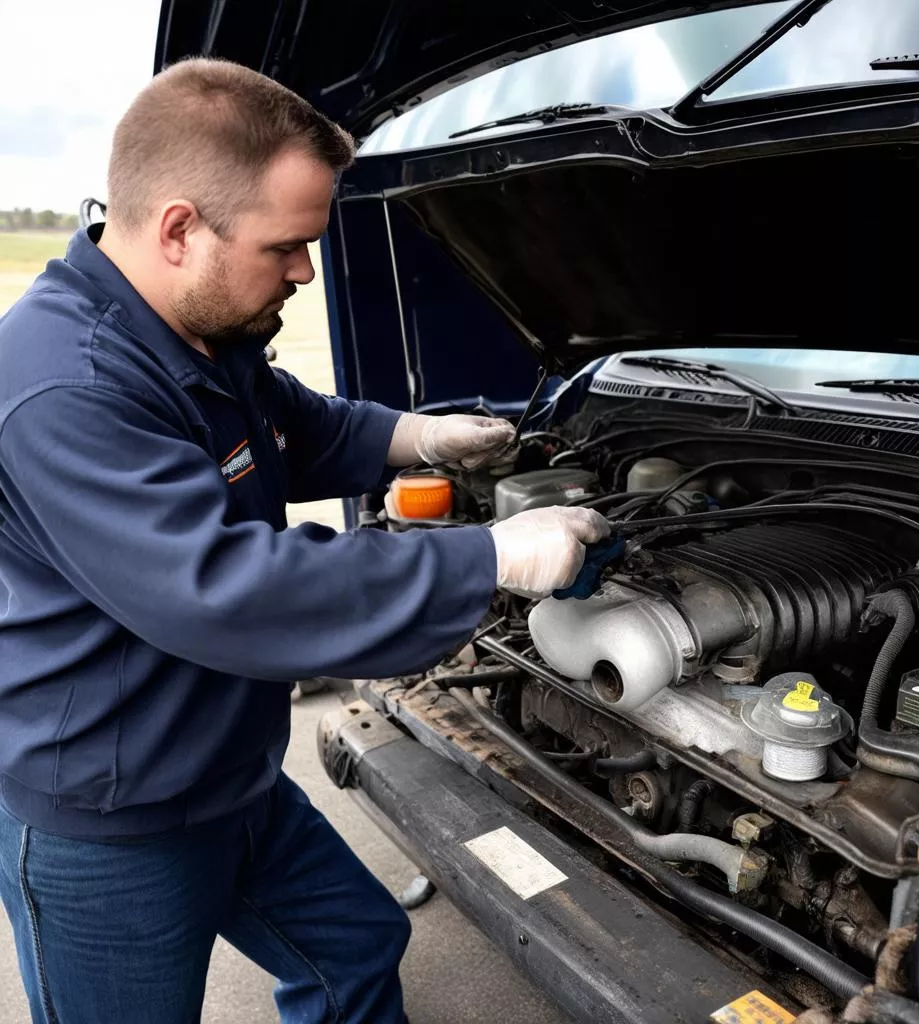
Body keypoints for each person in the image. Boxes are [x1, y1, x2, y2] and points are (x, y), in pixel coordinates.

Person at [0, 58, 608, 1024]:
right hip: (115, 819)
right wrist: (489, 558)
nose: (305, 271)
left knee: (355, 951)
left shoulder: (193, 331)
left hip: (228, 773)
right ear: (179, 229)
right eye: (287, 246)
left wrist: (420, 436)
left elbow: (298, 427)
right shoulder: (62, 388)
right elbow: (230, 590)